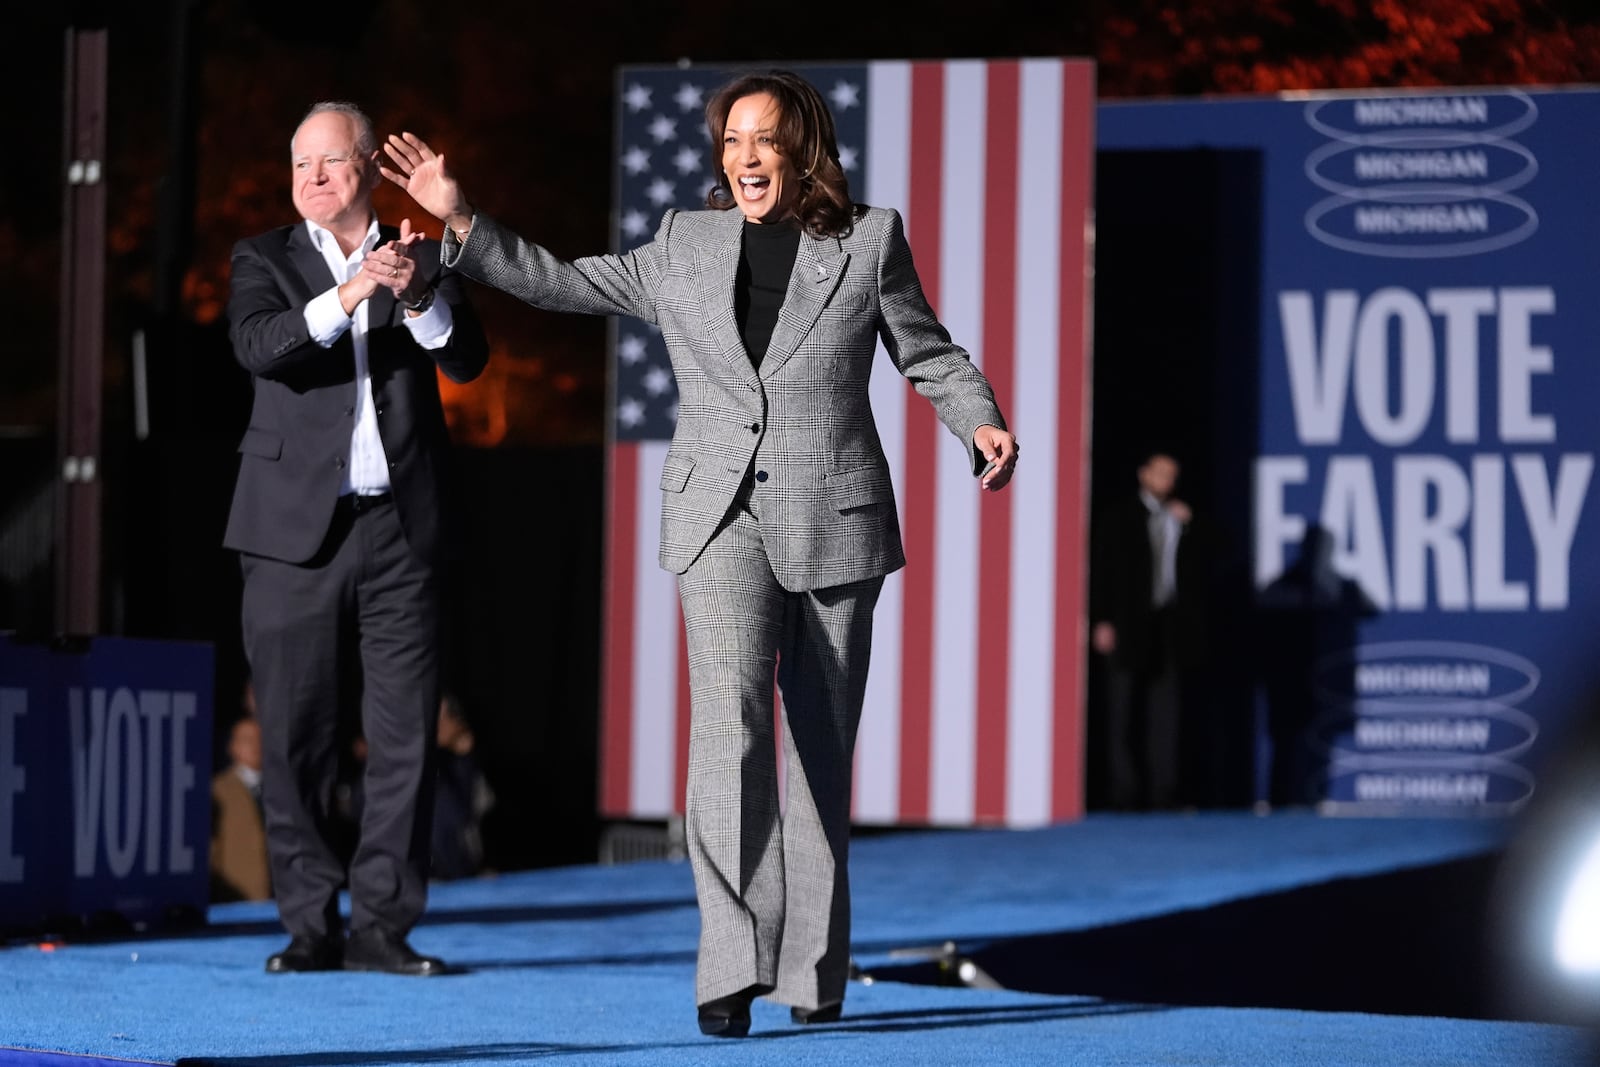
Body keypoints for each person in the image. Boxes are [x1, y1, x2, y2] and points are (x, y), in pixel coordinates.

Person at [380, 69, 1018, 1035]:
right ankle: (730, 962)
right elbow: (564, 281)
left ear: (804, 149)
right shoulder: (685, 242)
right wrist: (461, 217)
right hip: (716, 515)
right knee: (728, 729)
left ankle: (811, 968)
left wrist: (981, 421)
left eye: (764, 140)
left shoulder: (868, 240)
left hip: (834, 519)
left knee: (817, 753)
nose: (746, 157)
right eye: (731, 141)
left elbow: (926, 351)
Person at [224, 100, 489, 976]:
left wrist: (415, 289)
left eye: (329, 163)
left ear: (369, 165)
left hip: (400, 527)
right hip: (292, 532)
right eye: (299, 164)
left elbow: (466, 358)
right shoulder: (263, 256)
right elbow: (264, 347)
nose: (310, 179)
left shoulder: (421, 247)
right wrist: (352, 290)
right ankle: (308, 923)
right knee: (295, 733)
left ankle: (383, 924)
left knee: (404, 731)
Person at [1089, 449, 1205, 811]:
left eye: (1173, 475)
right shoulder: (1120, 517)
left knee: (1165, 714)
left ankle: (1163, 792)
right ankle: (1123, 792)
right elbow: (1103, 570)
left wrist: (1192, 524)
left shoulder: (1180, 517)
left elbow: (1216, 554)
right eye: (1161, 473)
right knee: (1122, 712)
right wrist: (1102, 619)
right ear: (1144, 474)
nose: (1167, 482)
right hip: (1127, 625)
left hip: (1168, 626)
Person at [430, 692, 495, 881]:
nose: (437, 725)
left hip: (461, 865)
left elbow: (462, 815)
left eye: (442, 717)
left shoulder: (464, 761)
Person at [210, 713, 270, 902]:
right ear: (232, 746)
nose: (256, 745)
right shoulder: (218, 790)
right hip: (237, 897)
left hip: (278, 899)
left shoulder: (282, 789)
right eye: (247, 740)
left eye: (260, 739)